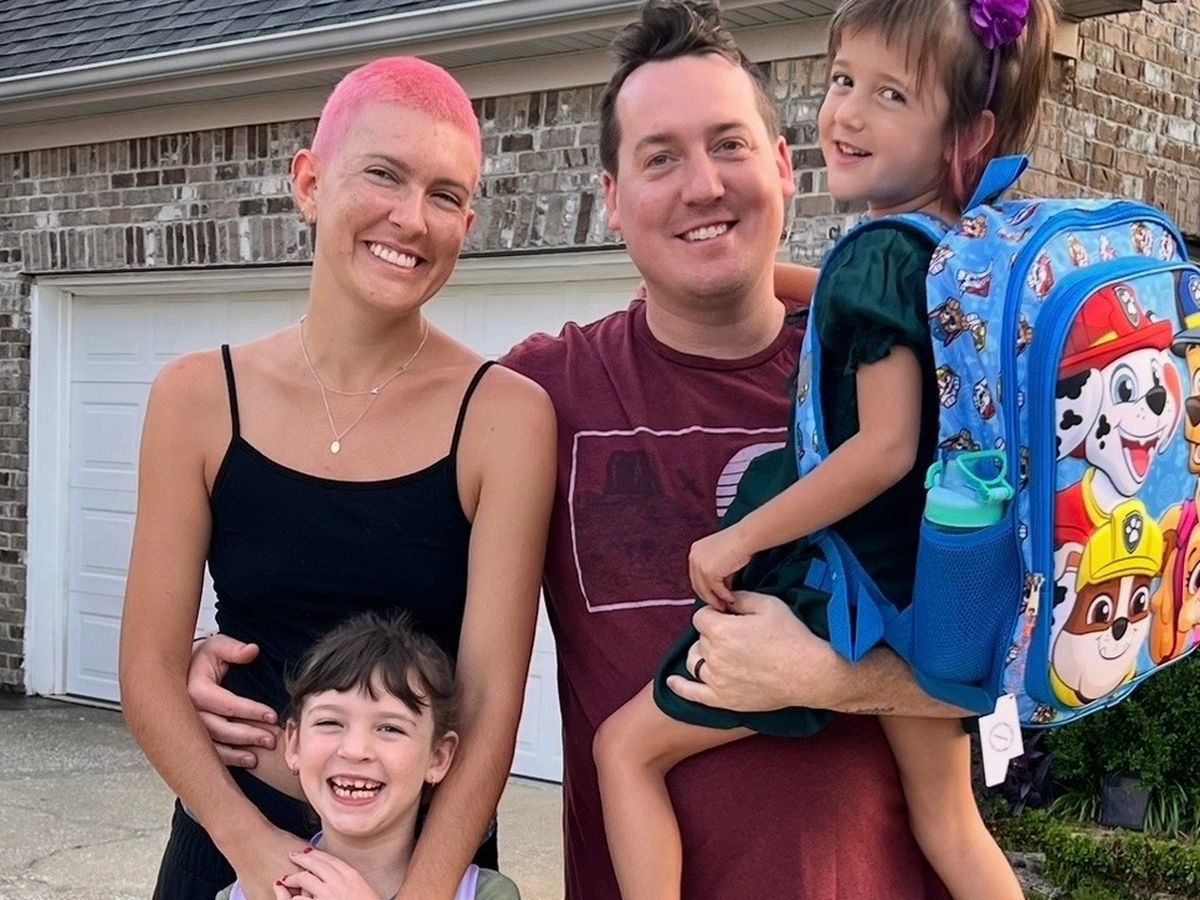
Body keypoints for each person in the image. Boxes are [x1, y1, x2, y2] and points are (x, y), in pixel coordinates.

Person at [591, 0, 1056, 895]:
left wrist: (740, 537)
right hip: (933, 585)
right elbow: (854, 307)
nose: (847, 113)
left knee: (624, 751)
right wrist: (763, 272)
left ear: (967, 134)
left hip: (848, 585)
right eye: (844, 80)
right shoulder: (955, 250)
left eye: (891, 95)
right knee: (950, 825)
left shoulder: (874, 258)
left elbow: (883, 450)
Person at [119, 57, 556, 900]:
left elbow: (490, 699)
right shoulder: (197, 399)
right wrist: (253, 848)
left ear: (467, 221)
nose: (411, 218)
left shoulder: (504, 417)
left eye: (445, 195)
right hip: (229, 839)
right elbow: (146, 667)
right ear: (310, 183)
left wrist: (421, 892)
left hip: (429, 855)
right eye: (383, 174)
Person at [217, 611, 520, 900]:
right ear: (294, 745)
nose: (355, 750)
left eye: (390, 728)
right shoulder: (243, 894)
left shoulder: (488, 894)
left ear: (438, 757)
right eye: (330, 722)